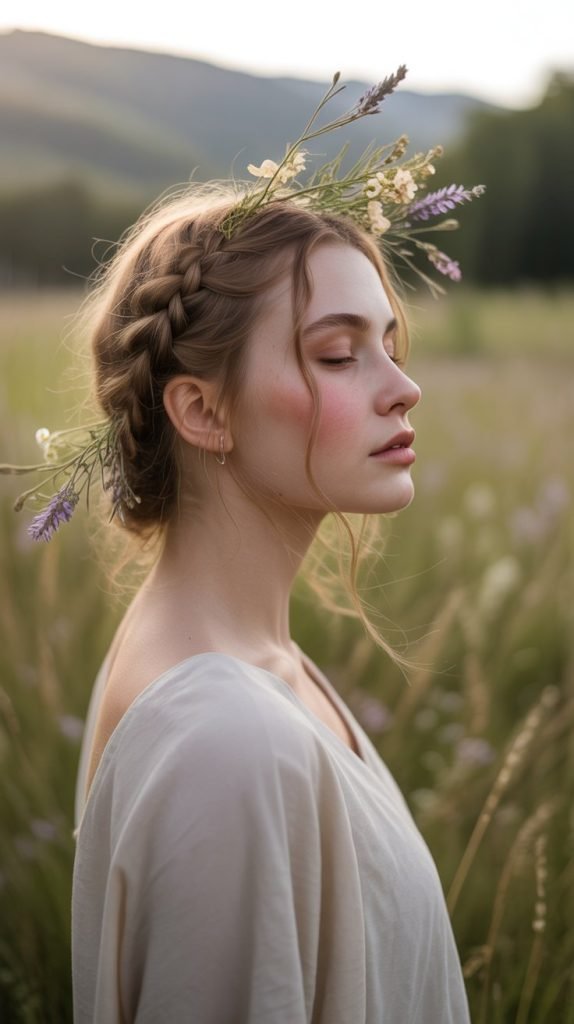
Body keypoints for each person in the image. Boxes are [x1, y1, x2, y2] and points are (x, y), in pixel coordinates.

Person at [3, 69, 482, 1022]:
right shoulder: (227, 740)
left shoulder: (248, 664)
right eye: (339, 354)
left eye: (392, 344)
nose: (402, 387)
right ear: (201, 409)